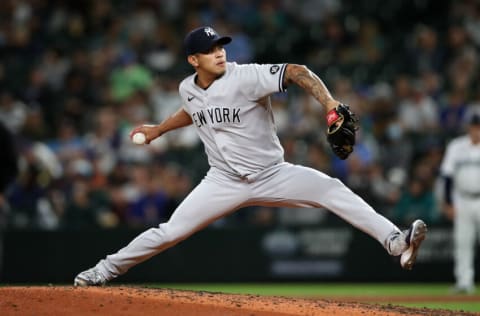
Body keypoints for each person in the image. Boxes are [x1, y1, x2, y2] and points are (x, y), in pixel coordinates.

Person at [74, 26, 427, 286]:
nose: (220, 52)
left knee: (332, 189)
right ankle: (102, 271)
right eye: (210, 50)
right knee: (169, 232)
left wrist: (330, 104)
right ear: (193, 60)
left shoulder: (247, 77)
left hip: (273, 173)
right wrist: (158, 130)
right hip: (222, 181)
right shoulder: (187, 88)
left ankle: (396, 241)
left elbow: (297, 72)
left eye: (221, 46)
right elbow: (192, 109)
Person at [440, 112, 480, 294]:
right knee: (462, 242)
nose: (476, 130)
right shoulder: (457, 146)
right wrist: (448, 202)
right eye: (474, 127)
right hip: (462, 199)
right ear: (469, 128)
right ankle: (464, 282)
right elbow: (447, 176)